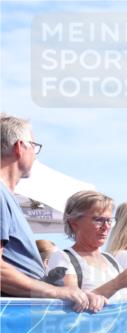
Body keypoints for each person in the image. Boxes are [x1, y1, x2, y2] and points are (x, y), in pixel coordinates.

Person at [1, 113, 101, 312]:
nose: (36, 155)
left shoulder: (6, 196)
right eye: (34, 146)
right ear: (20, 147)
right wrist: (54, 291)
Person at [47, 191, 127, 303]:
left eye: (109, 221)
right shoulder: (63, 258)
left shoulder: (110, 260)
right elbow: (71, 305)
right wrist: (117, 283)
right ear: (74, 222)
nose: (106, 227)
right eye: (98, 220)